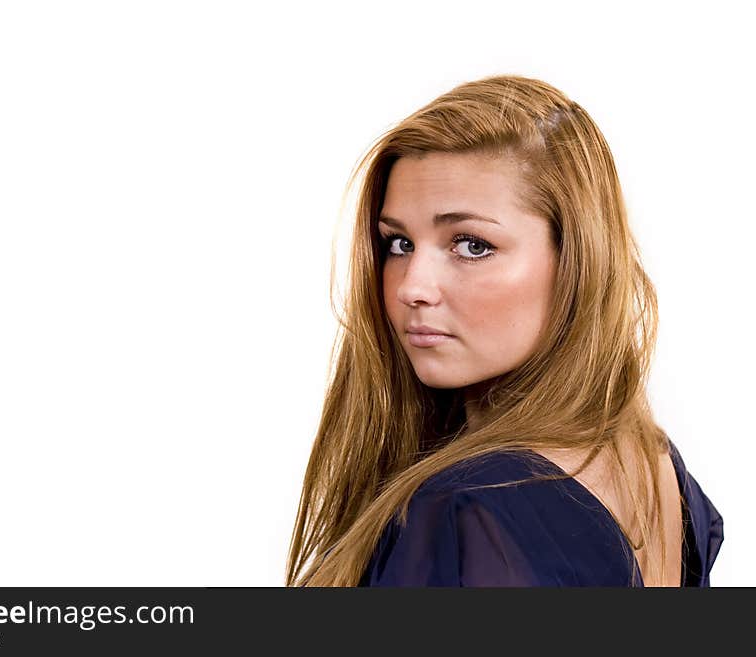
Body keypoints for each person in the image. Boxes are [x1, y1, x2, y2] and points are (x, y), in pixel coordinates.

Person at [285, 74, 724, 587]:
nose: (412, 288)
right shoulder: (656, 467)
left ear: (577, 262)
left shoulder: (465, 510)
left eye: (471, 245)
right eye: (399, 244)